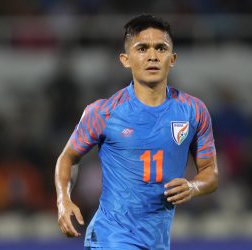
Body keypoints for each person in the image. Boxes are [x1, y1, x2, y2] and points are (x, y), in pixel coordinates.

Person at [55, 14, 218, 250]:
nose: (152, 56)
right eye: (142, 48)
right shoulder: (103, 112)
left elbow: (210, 172)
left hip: (157, 241)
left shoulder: (193, 111)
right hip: (111, 237)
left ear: (172, 59)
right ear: (125, 59)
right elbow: (68, 157)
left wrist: (193, 187)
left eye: (160, 48)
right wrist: (64, 199)